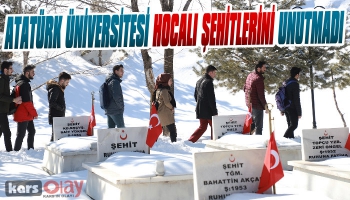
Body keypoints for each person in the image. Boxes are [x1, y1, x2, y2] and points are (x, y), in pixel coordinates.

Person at [188, 65, 218, 143]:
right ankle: (214, 142)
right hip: (208, 110)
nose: (215, 74)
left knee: (202, 127)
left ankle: (191, 141)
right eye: (214, 72)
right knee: (214, 127)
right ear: (210, 72)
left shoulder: (199, 81)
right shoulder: (209, 82)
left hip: (200, 109)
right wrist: (215, 112)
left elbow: (195, 95)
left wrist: (200, 104)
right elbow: (211, 99)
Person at [13, 65, 38, 151]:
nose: (34, 74)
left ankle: (31, 149)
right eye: (32, 72)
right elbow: (27, 102)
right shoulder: (23, 84)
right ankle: (16, 151)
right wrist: (34, 113)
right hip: (23, 113)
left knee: (32, 131)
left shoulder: (23, 83)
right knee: (21, 134)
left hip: (26, 114)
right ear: (27, 73)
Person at [0, 61, 22, 152]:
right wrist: (13, 100)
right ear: (5, 70)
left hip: (3, 110)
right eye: (11, 69)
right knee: (7, 132)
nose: (12, 70)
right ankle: (9, 151)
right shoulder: (1, 79)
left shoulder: (5, 78)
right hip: (0, 110)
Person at [243, 61, 268, 135]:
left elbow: (244, 88)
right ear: (258, 69)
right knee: (259, 127)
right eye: (264, 67)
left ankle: (249, 140)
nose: (265, 69)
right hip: (257, 105)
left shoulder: (250, 75)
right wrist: (265, 106)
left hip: (250, 104)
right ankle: (258, 143)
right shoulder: (258, 79)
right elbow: (261, 95)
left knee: (252, 124)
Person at [152, 73, 177, 142]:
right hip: (165, 113)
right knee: (172, 130)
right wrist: (172, 108)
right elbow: (166, 102)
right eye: (170, 80)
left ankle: (154, 142)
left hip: (160, 112)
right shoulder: (164, 91)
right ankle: (174, 144)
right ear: (165, 81)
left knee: (157, 129)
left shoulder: (158, 89)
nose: (171, 82)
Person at [47, 72, 71, 142]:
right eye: (67, 82)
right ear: (62, 81)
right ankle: (51, 149)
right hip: (56, 116)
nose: (67, 84)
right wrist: (61, 108)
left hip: (58, 115)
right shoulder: (55, 89)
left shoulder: (58, 89)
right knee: (55, 136)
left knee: (57, 135)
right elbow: (52, 102)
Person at [283, 67, 302, 139]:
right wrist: (299, 112)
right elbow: (296, 99)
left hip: (285, 107)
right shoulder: (295, 84)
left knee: (290, 125)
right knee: (294, 125)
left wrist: (282, 109)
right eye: (299, 74)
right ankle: (284, 138)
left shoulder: (286, 82)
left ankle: (290, 139)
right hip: (292, 107)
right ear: (297, 75)